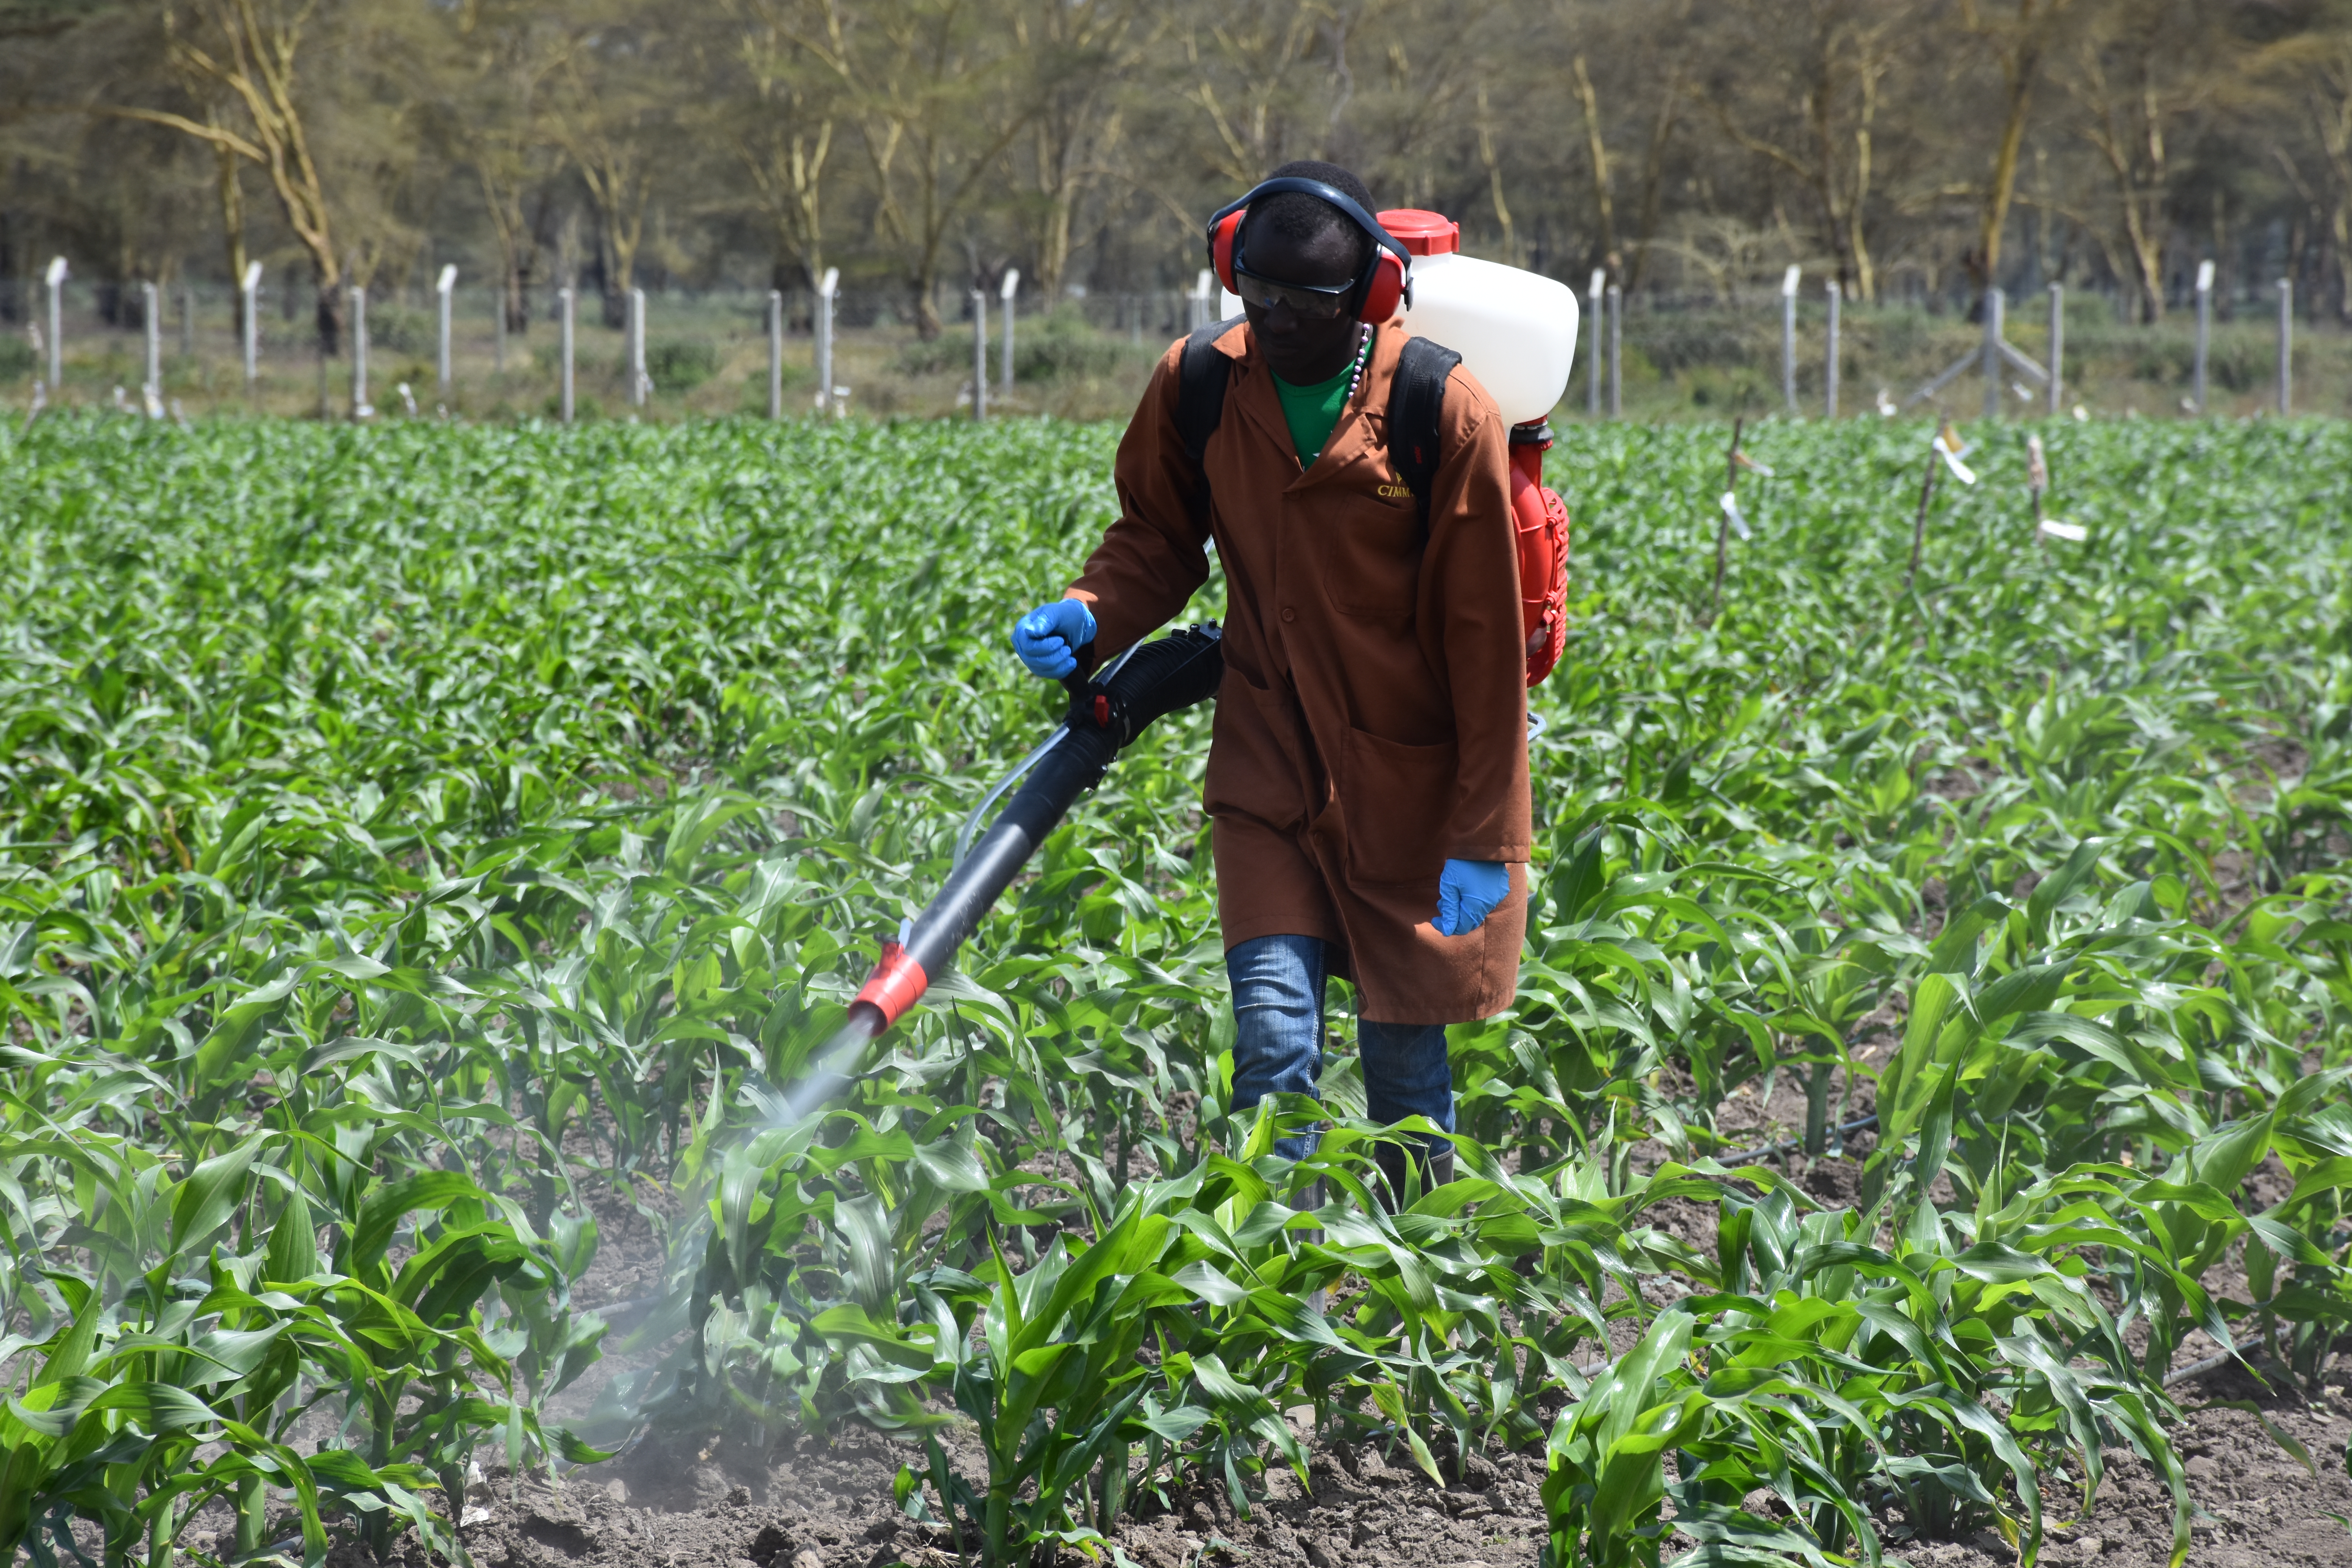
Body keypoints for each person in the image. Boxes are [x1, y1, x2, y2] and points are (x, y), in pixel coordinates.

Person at [1008, 160, 1529, 1204]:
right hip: (1267, 769)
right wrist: (1091, 611)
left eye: (1312, 300)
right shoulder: (1202, 382)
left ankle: (1420, 1269)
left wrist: (1486, 839)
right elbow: (1157, 539)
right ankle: (1267, 1284)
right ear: (1232, 270)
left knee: (1404, 1072)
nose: (1280, 318)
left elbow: (1486, 651)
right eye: (1260, 291)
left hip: (1409, 790)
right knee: (1275, 1052)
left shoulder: (1443, 410)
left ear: (1372, 296)